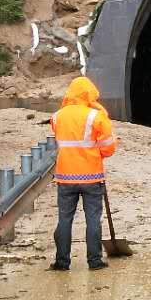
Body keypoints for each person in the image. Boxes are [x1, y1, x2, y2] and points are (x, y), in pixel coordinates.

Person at [48, 75, 117, 271]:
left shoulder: (57, 116)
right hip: (91, 176)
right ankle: (94, 261)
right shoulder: (96, 116)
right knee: (93, 219)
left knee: (64, 219)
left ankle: (62, 261)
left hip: (65, 176)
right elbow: (108, 148)